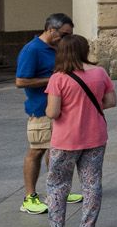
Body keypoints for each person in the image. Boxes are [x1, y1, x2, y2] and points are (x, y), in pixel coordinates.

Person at [39, 34, 115, 227]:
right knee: (92, 184)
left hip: (65, 140)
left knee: (57, 184)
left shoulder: (58, 78)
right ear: (84, 50)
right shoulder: (100, 73)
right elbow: (110, 101)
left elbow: (53, 112)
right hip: (95, 136)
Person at [16, 13, 75, 215]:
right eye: (64, 34)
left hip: (58, 108)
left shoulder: (57, 47)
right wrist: (53, 80)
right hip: (40, 109)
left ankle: (57, 190)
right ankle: (29, 197)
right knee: (37, 150)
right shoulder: (32, 50)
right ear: (51, 30)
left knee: (55, 150)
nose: (67, 39)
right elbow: (21, 81)